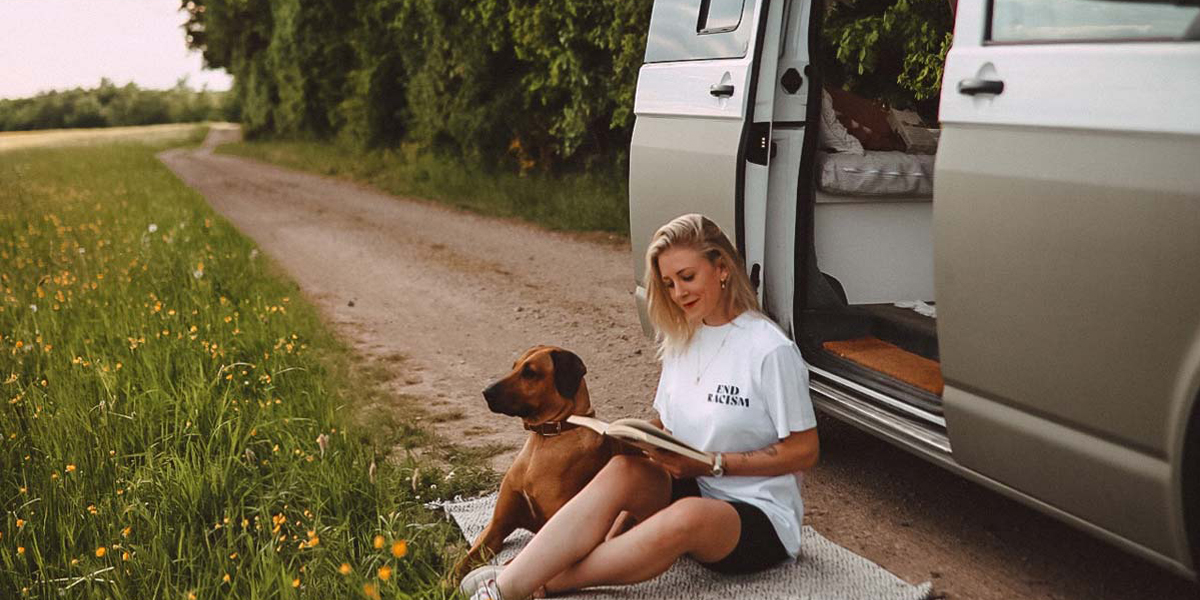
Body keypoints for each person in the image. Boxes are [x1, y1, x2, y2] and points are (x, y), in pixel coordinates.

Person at [461, 213, 820, 600]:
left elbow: (805, 450)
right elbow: (666, 426)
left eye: (687, 277)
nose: (679, 293)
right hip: (693, 484)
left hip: (755, 514)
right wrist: (645, 441)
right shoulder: (683, 341)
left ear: (721, 269)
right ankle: (530, 572)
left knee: (686, 517)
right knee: (623, 468)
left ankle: (520, 584)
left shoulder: (769, 350)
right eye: (668, 284)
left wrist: (714, 464)